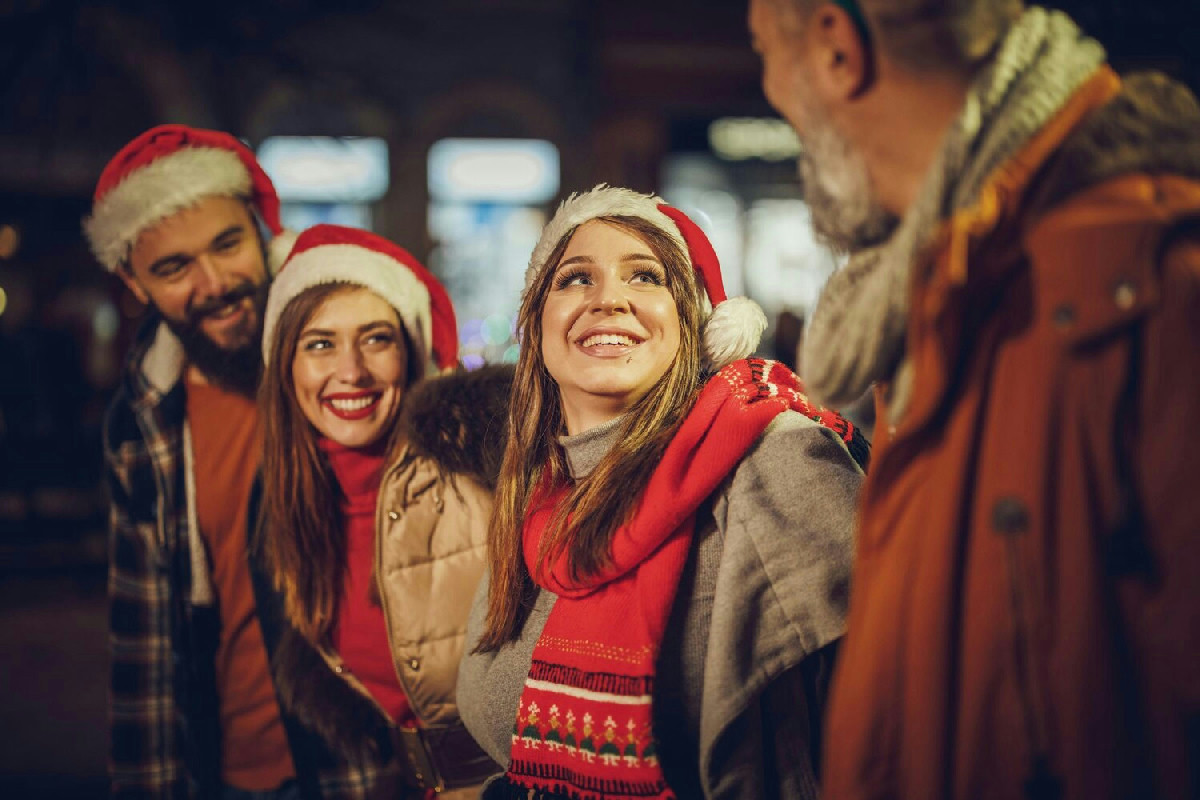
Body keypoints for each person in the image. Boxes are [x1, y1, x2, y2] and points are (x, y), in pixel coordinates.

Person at [748, 1, 1200, 798]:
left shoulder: (1154, 283)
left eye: (763, 52)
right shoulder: (943, 293)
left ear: (836, 48)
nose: (770, 89)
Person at [458, 185, 869, 799]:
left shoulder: (771, 458)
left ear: (694, 325)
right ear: (536, 320)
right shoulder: (531, 495)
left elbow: (899, 717)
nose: (609, 300)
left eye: (645, 277)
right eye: (575, 280)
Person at [86, 124, 361, 799]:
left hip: (368, 769)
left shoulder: (353, 364)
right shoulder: (141, 426)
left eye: (227, 245)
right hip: (229, 775)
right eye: (173, 267)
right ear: (133, 282)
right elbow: (145, 651)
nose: (214, 284)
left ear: (266, 232)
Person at [257, 224, 506, 798]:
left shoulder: (480, 459)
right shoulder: (293, 499)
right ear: (287, 366)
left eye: (375, 339)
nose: (351, 371)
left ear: (411, 354)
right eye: (320, 344)